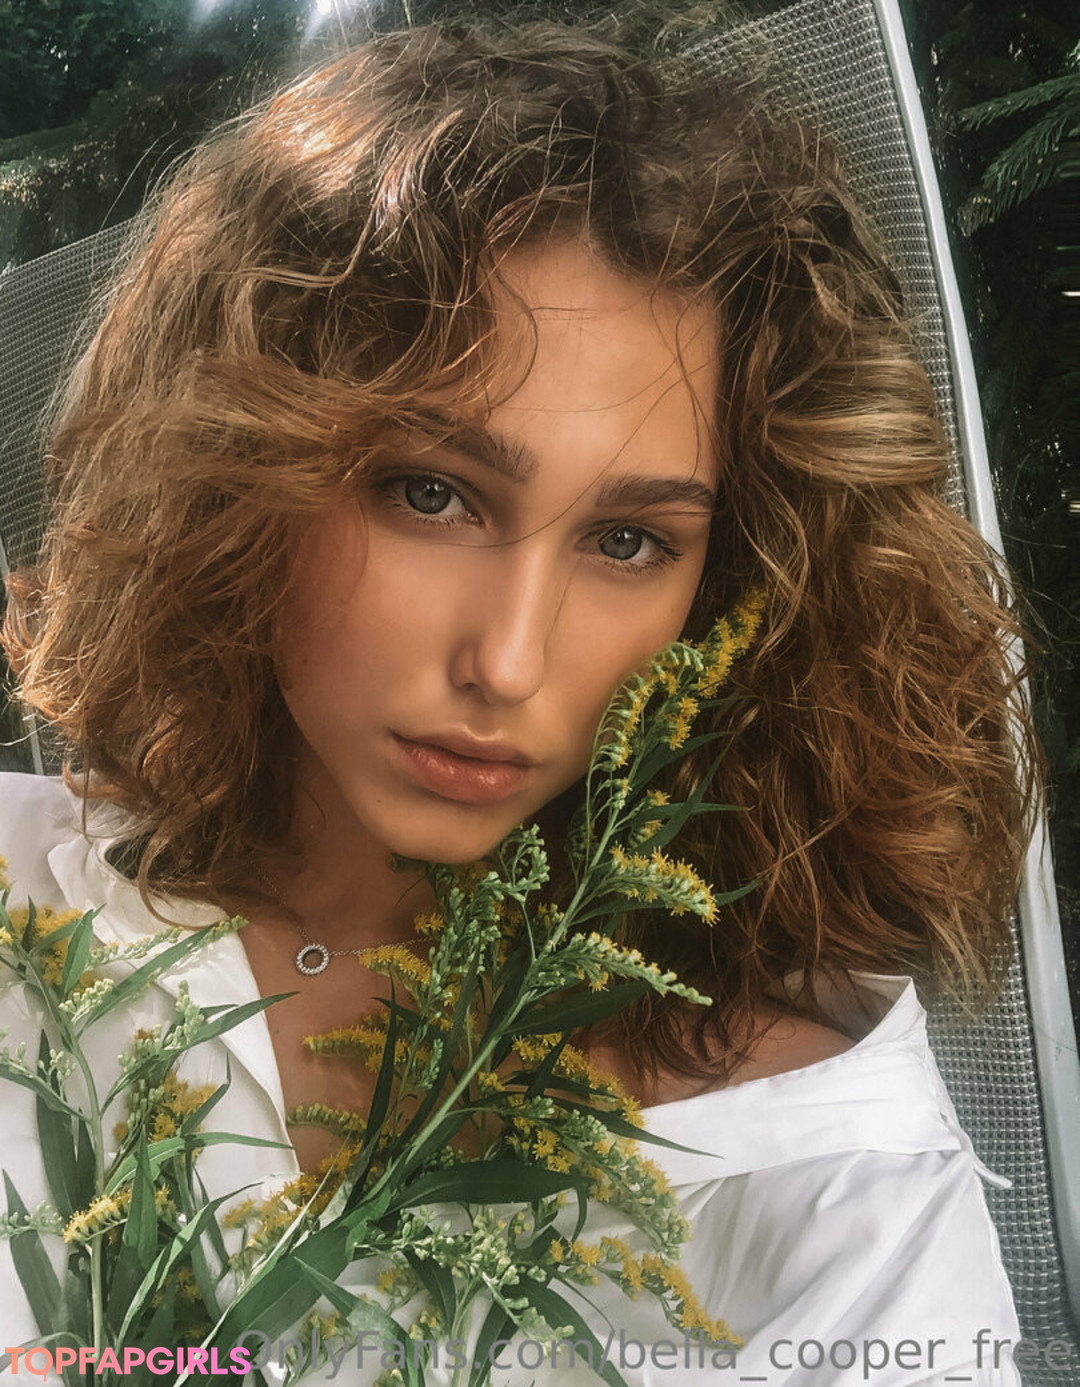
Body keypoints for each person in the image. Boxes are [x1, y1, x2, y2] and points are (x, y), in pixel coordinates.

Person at [0, 14, 1044, 1385]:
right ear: (238, 477)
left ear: (733, 588)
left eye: (631, 541)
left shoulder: (818, 1186)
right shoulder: (28, 896)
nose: (508, 659)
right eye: (431, 493)